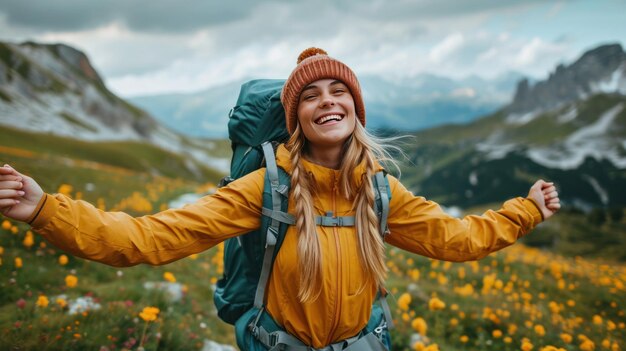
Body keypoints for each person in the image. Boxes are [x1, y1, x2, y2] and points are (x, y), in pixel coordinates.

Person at [0, 47, 560, 350]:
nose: (328, 101)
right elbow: (151, 237)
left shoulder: (380, 191)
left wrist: (525, 209)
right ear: (296, 120)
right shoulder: (264, 189)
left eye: (340, 90)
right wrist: (47, 210)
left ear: (356, 110)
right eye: (310, 96)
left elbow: (458, 239)